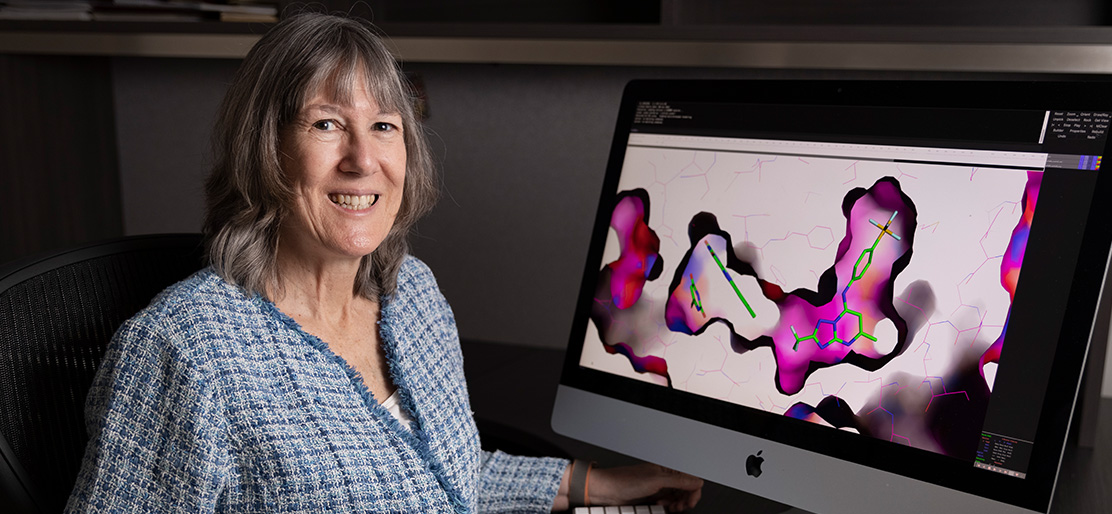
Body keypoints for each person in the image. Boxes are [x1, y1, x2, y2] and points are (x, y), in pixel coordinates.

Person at [65, 12, 702, 513]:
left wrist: (602, 483)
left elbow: (441, 477)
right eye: (325, 124)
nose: (362, 159)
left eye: (385, 125)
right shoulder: (184, 351)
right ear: (264, 148)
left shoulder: (412, 294)